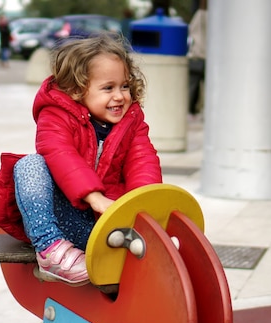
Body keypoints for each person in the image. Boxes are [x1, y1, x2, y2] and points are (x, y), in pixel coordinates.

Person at [10, 34, 162, 287]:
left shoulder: (132, 122)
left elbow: (143, 160)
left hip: (104, 223)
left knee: (148, 200)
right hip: (65, 218)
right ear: (77, 89)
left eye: (124, 86)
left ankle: (144, 243)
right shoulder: (56, 115)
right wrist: (93, 196)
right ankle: (51, 250)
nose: (120, 96)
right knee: (29, 165)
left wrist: (142, 208)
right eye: (108, 88)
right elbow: (60, 154)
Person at [187, 1, 207, 116]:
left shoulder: (198, 18)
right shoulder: (205, 18)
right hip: (203, 57)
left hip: (196, 56)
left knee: (192, 87)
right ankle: (198, 110)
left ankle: (191, 111)